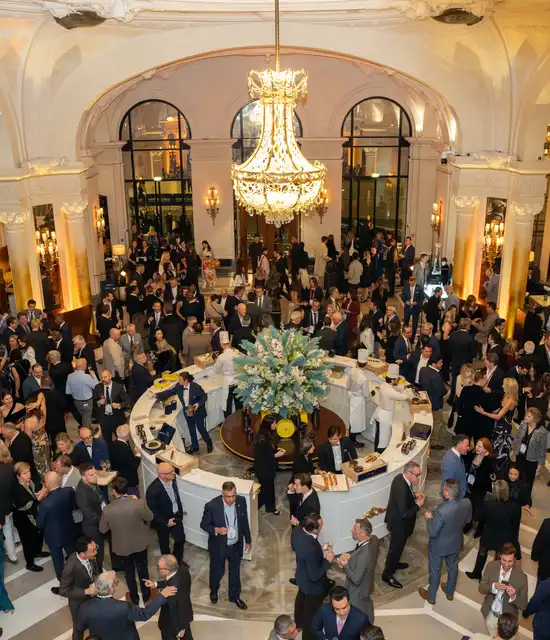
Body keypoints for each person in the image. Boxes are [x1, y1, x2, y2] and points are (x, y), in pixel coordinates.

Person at [75, 570, 176, 640]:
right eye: (116, 582)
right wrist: (161, 596)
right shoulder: (123, 607)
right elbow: (144, 614)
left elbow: (79, 630)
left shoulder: (85, 607)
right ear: (111, 589)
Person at [100, 476, 153, 606]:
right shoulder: (139, 503)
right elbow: (150, 517)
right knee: (143, 569)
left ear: (114, 491)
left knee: (129, 572)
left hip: (122, 545)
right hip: (140, 542)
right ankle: (147, 595)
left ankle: (134, 598)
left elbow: (102, 529)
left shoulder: (108, 509)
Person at [418, 478, 472, 605]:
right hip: (455, 542)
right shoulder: (467, 503)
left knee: (435, 571)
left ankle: (431, 595)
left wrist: (429, 518)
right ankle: (449, 591)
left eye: (444, 489)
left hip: (438, 546)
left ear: (447, 492)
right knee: (453, 567)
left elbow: (433, 532)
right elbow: (468, 520)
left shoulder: (441, 510)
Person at [200, 480, 251, 610]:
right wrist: (216, 530)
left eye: (233, 495)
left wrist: (248, 540)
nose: (231, 499)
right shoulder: (212, 506)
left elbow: (244, 522)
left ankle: (235, 596)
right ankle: (214, 590)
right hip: (219, 547)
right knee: (217, 571)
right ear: (222, 494)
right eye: (228, 496)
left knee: (235, 572)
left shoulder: (241, 501)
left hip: (235, 545)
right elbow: (204, 524)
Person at [466, 481, 522, 581]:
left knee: (482, 552)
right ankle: (491, 579)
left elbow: (479, 518)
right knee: (498, 559)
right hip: (504, 538)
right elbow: (515, 526)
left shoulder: (488, 505)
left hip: (488, 534)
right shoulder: (514, 507)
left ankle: (477, 573)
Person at [382, 460, 424, 589]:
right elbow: (404, 513)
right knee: (395, 549)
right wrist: (418, 505)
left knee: (399, 548)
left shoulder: (401, 478)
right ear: (409, 473)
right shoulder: (401, 487)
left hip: (400, 523)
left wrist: (414, 495)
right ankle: (387, 574)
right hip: (399, 525)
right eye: (417, 475)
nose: (419, 477)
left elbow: (406, 497)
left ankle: (394, 564)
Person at [291, 512, 333, 640]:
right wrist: (327, 561)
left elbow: (294, 547)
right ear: (315, 530)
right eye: (321, 525)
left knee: (300, 601)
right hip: (312, 586)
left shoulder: (297, 531)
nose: (322, 527)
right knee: (312, 616)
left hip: (301, 576)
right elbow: (315, 576)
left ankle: (299, 623)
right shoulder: (312, 549)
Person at [154, 371, 213, 454]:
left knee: (201, 428)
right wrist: (156, 395)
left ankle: (209, 442)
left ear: (186, 380)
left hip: (198, 412)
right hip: (187, 412)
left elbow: (204, 397)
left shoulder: (196, 387)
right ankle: (195, 447)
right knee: (191, 430)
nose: (178, 381)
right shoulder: (178, 386)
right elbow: (170, 392)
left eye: (180, 379)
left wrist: (198, 404)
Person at [37, 471, 77, 592]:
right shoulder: (69, 491)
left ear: (47, 484)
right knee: (73, 555)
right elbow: (73, 506)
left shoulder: (45, 503)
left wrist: (40, 500)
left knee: (58, 561)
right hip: (69, 529)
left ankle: (64, 585)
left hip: (53, 536)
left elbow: (39, 523)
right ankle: (78, 577)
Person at [478, 542, 528, 637]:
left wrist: (513, 596)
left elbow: (523, 606)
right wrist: (493, 586)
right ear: (500, 556)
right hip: (489, 615)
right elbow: (481, 588)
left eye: (510, 561)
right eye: (504, 560)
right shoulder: (491, 566)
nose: (506, 564)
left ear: (514, 559)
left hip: (507, 623)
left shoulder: (522, 577)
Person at [338, 517, 379, 622]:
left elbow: (356, 580)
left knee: (357, 615)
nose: (352, 531)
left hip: (357, 592)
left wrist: (345, 565)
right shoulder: (374, 539)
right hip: (367, 585)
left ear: (362, 534)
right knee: (367, 607)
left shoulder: (364, 555)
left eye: (355, 530)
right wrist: (351, 557)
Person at [144, 554, 194, 640]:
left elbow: (173, 610)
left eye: (159, 568)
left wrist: (179, 630)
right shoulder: (183, 570)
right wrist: (155, 584)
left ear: (168, 570)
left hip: (171, 623)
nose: (158, 569)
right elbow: (169, 581)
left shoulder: (171, 591)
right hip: (185, 615)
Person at [476, 377, 518, 477]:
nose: (502, 386)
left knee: (498, 449)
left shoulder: (511, 400)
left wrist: (484, 413)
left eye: (504, 384)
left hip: (503, 428)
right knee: (494, 447)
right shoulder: (506, 395)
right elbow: (501, 410)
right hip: (499, 425)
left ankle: (499, 471)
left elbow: (499, 416)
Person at [59, 536, 99, 640]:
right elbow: (63, 591)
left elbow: (94, 571)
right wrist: (85, 591)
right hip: (79, 603)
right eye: (93, 550)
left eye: (96, 548)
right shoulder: (70, 567)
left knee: (95, 623)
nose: (96, 552)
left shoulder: (90, 557)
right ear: (82, 554)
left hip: (93, 598)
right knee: (79, 629)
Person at [146, 462, 186, 564]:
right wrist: (165, 522)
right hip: (162, 521)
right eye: (170, 472)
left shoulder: (173, 479)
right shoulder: (152, 490)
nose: (174, 473)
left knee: (180, 539)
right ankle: (168, 564)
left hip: (176, 515)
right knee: (164, 544)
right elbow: (152, 511)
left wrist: (180, 512)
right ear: (162, 475)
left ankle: (178, 560)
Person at [12, 461, 48, 571]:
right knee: (28, 541)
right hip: (23, 520)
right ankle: (30, 563)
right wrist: (40, 496)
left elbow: (31, 496)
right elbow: (28, 505)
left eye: (28, 471)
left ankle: (37, 552)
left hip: (31, 516)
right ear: (18, 476)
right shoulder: (17, 488)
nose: (28, 475)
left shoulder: (29, 482)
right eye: (24, 473)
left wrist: (36, 495)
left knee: (37, 535)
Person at [511, 406, 546, 502]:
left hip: (532, 460)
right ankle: (516, 495)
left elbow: (542, 450)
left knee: (528, 481)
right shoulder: (523, 424)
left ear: (534, 419)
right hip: (520, 456)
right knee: (518, 476)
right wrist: (513, 449)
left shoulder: (542, 432)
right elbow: (517, 437)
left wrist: (540, 464)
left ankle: (526, 500)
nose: (525, 417)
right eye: (526, 415)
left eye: (528, 416)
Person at [75, 463, 106, 572]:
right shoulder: (81, 493)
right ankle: (97, 574)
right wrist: (105, 520)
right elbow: (90, 515)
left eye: (95, 473)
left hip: (100, 521)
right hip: (92, 528)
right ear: (84, 477)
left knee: (100, 552)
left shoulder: (92, 483)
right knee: (95, 555)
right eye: (91, 475)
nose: (95, 476)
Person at [254, 416, 285, 515]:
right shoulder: (262, 440)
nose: (276, 425)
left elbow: (269, 447)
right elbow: (262, 457)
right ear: (268, 425)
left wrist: (276, 449)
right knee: (267, 490)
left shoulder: (267, 434)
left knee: (266, 489)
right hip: (263, 469)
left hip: (267, 468)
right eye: (274, 423)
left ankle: (266, 507)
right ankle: (268, 508)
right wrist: (276, 455)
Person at [372, 364, 406, 453]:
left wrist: (405, 387)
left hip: (380, 413)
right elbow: (403, 397)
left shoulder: (384, 384)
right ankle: (379, 454)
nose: (398, 381)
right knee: (382, 439)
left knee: (379, 436)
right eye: (397, 379)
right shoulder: (389, 391)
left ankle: (377, 452)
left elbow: (395, 387)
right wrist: (409, 395)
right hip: (385, 417)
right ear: (392, 380)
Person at [464, 438, 494, 535]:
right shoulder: (472, 455)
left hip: (480, 489)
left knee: (478, 508)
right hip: (469, 486)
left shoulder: (488, 461)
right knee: (468, 507)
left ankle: (480, 528)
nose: (477, 448)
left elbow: (492, 476)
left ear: (486, 449)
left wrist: (487, 458)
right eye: (477, 445)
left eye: (480, 446)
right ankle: (468, 524)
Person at [93, 369, 129, 443]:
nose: (103, 379)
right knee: (107, 440)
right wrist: (98, 402)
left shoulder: (118, 387)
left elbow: (127, 400)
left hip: (116, 417)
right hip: (104, 418)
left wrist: (119, 405)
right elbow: (93, 401)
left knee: (122, 439)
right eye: (102, 377)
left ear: (110, 377)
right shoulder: (98, 387)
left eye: (105, 377)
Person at [419, 355, 446, 450]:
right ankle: (434, 442)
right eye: (440, 362)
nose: (442, 364)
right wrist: (446, 391)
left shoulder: (423, 370)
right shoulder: (436, 376)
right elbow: (441, 392)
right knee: (437, 423)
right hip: (435, 404)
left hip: (425, 400)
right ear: (434, 363)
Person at [2, 421, 39, 485]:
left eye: (4, 434)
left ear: (11, 432)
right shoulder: (21, 434)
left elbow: (19, 465)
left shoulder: (19, 445)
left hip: (26, 476)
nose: (3, 436)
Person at [65, 359, 98, 428]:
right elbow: (96, 386)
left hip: (76, 402)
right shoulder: (86, 376)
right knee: (86, 419)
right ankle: (86, 432)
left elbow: (68, 391)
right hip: (87, 402)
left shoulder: (70, 376)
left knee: (84, 418)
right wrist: (93, 375)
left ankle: (89, 428)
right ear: (84, 365)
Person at [109, 424, 141, 496]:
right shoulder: (125, 450)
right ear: (127, 436)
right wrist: (138, 454)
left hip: (119, 477)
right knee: (133, 497)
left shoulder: (111, 444)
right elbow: (134, 465)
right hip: (129, 481)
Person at [346, 349, 369, 448]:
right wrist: (371, 394)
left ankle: (353, 435)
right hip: (359, 400)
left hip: (351, 397)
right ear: (366, 364)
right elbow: (366, 394)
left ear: (357, 362)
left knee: (352, 419)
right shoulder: (364, 378)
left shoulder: (351, 371)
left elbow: (348, 384)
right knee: (355, 421)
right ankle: (353, 441)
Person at [214, 332, 239, 415]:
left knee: (227, 402)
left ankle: (228, 420)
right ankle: (240, 418)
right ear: (229, 344)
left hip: (228, 381)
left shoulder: (221, 357)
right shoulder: (236, 353)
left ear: (222, 344)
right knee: (238, 402)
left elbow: (216, 370)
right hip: (237, 380)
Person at [532, 518, 550, 583]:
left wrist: (534, 556)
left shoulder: (547, 523)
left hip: (545, 567)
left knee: (541, 584)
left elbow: (538, 542)